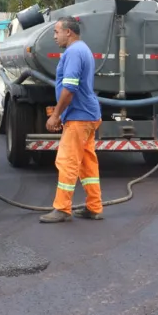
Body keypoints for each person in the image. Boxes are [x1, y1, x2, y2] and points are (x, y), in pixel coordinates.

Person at [40, 16, 104, 224]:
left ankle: (62, 209)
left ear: (69, 32)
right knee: (87, 164)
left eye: (57, 31)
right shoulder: (82, 49)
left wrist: (56, 114)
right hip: (87, 115)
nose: (54, 36)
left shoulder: (74, 52)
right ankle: (94, 207)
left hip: (79, 117)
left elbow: (69, 88)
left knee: (67, 161)